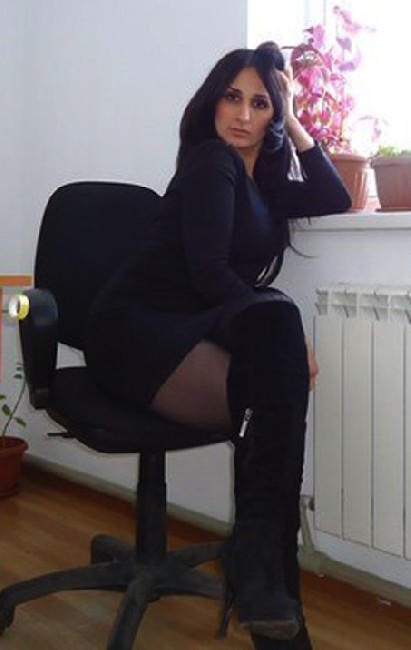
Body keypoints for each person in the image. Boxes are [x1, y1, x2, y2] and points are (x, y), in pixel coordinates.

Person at [84, 42, 351, 649]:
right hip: (134, 331)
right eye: (233, 97)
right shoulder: (212, 162)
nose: (243, 114)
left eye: (260, 104)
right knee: (277, 347)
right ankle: (263, 577)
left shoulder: (267, 186)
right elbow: (208, 274)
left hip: (191, 333)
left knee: (274, 388)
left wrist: (293, 118)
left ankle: (260, 570)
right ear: (213, 102)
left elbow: (334, 197)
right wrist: (278, 329)